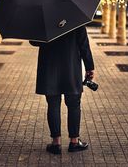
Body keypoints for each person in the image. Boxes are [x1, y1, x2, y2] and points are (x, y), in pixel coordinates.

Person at [30, 25, 94, 155]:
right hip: (70, 68)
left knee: (53, 105)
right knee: (74, 104)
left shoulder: (43, 18)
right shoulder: (76, 17)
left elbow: (34, 41)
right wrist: (89, 67)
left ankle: (56, 143)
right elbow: (83, 44)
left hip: (49, 67)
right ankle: (74, 142)